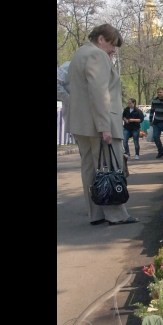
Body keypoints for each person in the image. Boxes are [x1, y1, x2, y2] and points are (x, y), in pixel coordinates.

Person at [64, 24, 138, 226]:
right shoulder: (98, 56)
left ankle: (95, 213)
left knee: (89, 168)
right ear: (101, 39)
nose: (114, 49)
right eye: (113, 44)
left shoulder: (81, 53)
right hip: (100, 122)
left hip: (81, 124)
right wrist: (104, 127)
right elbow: (100, 94)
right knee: (110, 167)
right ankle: (116, 214)